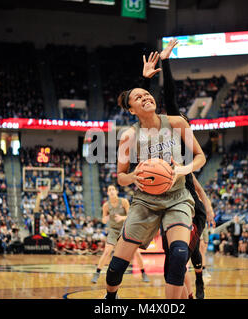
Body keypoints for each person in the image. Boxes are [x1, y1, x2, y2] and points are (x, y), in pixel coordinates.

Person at [105, 50, 206, 299]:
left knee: (180, 253)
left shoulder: (177, 123)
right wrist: (133, 176)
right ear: (131, 110)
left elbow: (200, 157)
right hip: (145, 201)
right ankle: (110, 298)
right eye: (138, 97)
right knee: (117, 265)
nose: (145, 97)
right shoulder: (129, 136)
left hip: (178, 197)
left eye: (147, 94)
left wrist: (182, 169)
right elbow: (120, 176)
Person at [141, 41, 215, 298]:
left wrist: (166, 62)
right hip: (170, 206)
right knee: (171, 267)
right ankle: (191, 294)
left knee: (179, 258)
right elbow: (142, 109)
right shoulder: (155, 143)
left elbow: (169, 99)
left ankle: (199, 281)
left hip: (191, 209)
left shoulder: (179, 139)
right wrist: (146, 81)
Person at [91, 185, 149, 283]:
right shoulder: (106, 205)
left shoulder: (123, 201)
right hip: (114, 230)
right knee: (107, 251)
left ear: (116, 191)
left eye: (113, 189)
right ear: (108, 193)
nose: (111, 191)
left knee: (136, 252)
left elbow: (131, 215)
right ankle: (97, 273)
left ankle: (143, 273)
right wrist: (105, 219)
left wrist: (122, 218)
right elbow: (104, 220)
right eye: (109, 190)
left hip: (126, 229)